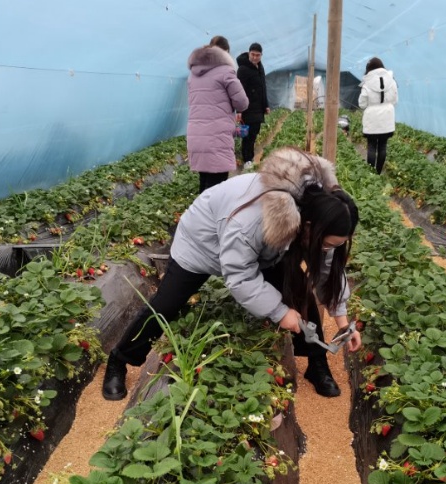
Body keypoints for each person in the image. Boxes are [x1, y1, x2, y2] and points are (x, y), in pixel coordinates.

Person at [102, 147, 362, 401]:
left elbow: (327, 268)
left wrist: (343, 323)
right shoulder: (249, 221)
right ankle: (120, 359)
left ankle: (317, 365)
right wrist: (280, 312)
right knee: (166, 305)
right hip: (201, 243)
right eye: (327, 243)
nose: (328, 250)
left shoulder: (322, 211)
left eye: (335, 245)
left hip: (267, 245)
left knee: (297, 289)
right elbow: (239, 275)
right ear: (308, 227)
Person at [187, 36, 249, 194]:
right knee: (217, 190)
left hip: (197, 137)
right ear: (225, 53)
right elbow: (242, 103)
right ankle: (208, 218)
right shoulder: (226, 71)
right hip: (217, 138)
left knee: (205, 183)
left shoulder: (193, 74)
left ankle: (199, 216)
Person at [358, 57, 398, 174]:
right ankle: (378, 172)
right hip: (387, 118)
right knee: (382, 146)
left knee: (371, 147)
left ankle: (370, 174)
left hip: (372, 119)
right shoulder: (392, 80)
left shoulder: (367, 82)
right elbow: (395, 100)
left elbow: (362, 103)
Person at [236, 42, 270, 170]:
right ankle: (247, 159)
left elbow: (263, 88)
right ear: (248, 53)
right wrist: (239, 110)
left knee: (254, 134)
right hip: (247, 108)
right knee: (248, 136)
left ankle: (249, 157)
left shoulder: (260, 68)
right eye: (253, 54)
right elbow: (239, 90)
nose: (255, 57)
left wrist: (266, 105)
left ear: (261, 55)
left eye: (258, 55)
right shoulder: (243, 69)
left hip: (258, 109)